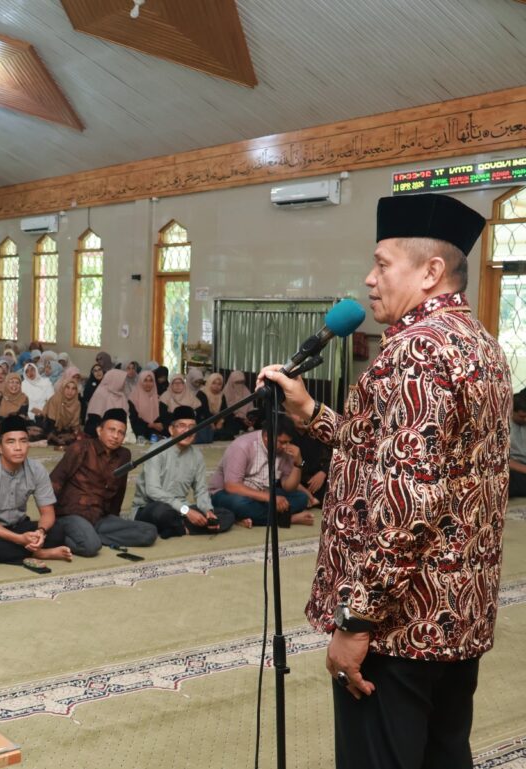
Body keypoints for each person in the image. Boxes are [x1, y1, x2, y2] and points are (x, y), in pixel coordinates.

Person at [258, 193, 508, 769]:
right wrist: (309, 412)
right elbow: (402, 456)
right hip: (455, 615)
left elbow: (408, 500)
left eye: (382, 264)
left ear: (430, 271)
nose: (369, 280)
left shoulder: (416, 352)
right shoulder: (478, 342)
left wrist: (356, 621)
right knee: (443, 755)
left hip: (398, 627)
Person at [0, 415, 72, 566]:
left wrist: (40, 532)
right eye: (11, 442)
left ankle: (2, 553)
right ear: (0, 447)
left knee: (57, 530)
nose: (18, 447)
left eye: (23, 441)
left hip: (17, 526)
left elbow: (48, 513)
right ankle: (40, 553)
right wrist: (20, 540)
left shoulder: (37, 469)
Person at [49, 408, 157, 556]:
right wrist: (49, 518)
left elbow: (120, 490)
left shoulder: (124, 455)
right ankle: (67, 535)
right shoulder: (81, 448)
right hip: (72, 514)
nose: (116, 436)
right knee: (91, 547)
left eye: (121, 433)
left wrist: (115, 519)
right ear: (99, 430)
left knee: (149, 532)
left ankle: (90, 536)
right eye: (111, 430)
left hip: (100, 517)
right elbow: (55, 481)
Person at [132, 406, 234, 537]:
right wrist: (186, 511)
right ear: (171, 429)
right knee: (162, 512)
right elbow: (153, 491)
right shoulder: (156, 451)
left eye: (192, 427)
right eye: (182, 426)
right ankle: (184, 527)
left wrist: (207, 511)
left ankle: (178, 529)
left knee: (226, 514)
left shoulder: (197, 456)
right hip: (150, 507)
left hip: (181, 509)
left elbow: (201, 490)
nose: (187, 431)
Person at [208, 416, 311, 526]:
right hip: (227, 493)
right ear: (267, 436)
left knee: (301, 498)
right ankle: (287, 519)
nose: (285, 446)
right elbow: (232, 486)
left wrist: (298, 463)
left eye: (288, 442)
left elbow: (288, 487)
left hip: (262, 492)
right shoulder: (243, 446)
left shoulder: (285, 449)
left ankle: (246, 516)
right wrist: (269, 498)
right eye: (282, 442)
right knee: (240, 504)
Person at [39, 369, 82, 448]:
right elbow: (50, 421)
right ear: (63, 388)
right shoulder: (56, 399)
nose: (70, 391)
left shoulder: (77, 404)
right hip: (50, 428)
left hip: (65, 430)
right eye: (67, 387)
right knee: (43, 436)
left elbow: (75, 425)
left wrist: (70, 435)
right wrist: (55, 438)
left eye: (73, 389)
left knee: (74, 440)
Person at [0, 371, 29, 444]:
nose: (14, 385)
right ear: (6, 383)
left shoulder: (24, 398)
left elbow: (21, 417)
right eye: (11, 382)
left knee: (36, 432)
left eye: (17, 383)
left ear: (20, 385)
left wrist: (7, 426)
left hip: (16, 426)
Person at [84, 368, 128, 437]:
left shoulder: (122, 396)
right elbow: (93, 421)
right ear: (114, 380)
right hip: (100, 434)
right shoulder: (101, 394)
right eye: (122, 381)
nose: (124, 383)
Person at [128, 370, 163, 441]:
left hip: (156, 435)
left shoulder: (158, 399)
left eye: (151, 381)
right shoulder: (133, 398)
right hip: (139, 436)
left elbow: (161, 419)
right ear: (140, 381)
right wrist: (151, 425)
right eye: (145, 380)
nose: (148, 383)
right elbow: (134, 420)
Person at [509, 392, 526, 497]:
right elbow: (502, 459)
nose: (525, 419)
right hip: (515, 470)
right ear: (511, 412)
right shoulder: (502, 426)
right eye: (522, 416)